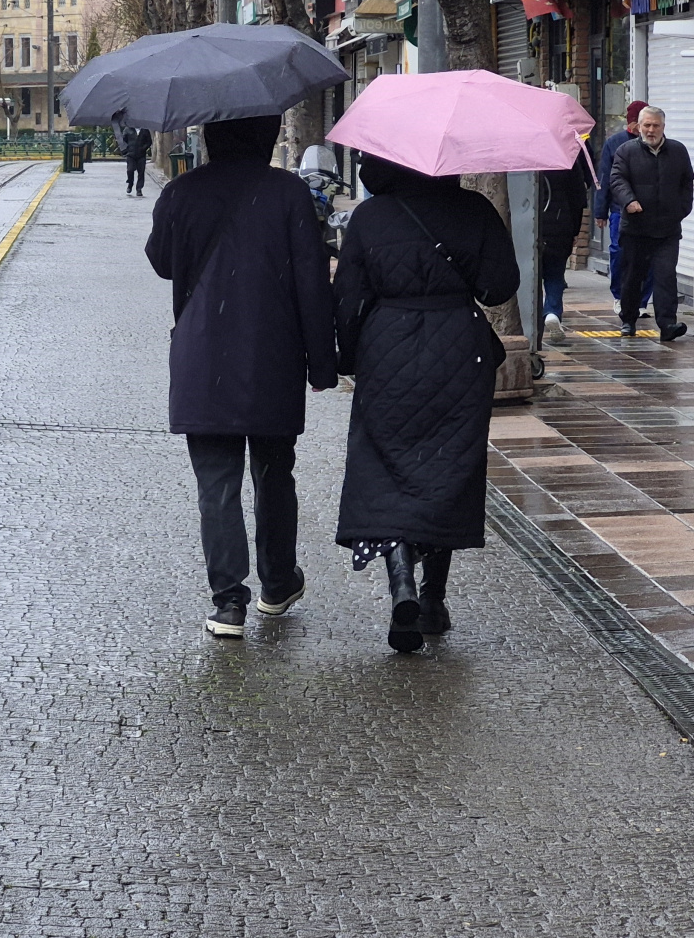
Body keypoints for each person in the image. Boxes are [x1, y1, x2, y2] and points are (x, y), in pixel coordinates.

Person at [145, 115, 338, 638]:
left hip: (202, 355)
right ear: (268, 132)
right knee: (275, 475)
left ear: (210, 135)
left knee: (217, 482)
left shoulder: (182, 192)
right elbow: (312, 285)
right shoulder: (290, 195)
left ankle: (228, 601)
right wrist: (324, 362)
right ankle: (277, 584)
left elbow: (161, 262)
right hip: (271, 355)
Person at [334, 154, 519, 653]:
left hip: (386, 349)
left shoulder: (371, 216)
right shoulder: (474, 210)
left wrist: (349, 357)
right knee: (447, 470)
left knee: (387, 467)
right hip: (459, 350)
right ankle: (434, 600)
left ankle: (402, 586)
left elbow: (347, 297)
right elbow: (501, 286)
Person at [610, 105, 694, 342]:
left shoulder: (677, 151)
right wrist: (629, 201)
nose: (651, 130)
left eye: (656, 125)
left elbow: (687, 182)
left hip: (667, 229)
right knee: (632, 276)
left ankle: (668, 324)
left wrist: (682, 209)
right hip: (636, 228)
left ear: (663, 127)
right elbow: (616, 180)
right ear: (639, 126)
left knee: (665, 276)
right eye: (646, 125)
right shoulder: (626, 151)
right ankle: (628, 319)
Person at [596, 100, 651, 315]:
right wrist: (601, 210)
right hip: (620, 210)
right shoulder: (615, 143)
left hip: (649, 211)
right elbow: (605, 177)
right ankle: (620, 296)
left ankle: (642, 301)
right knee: (619, 253)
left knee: (649, 257)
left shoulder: (655, 144)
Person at [540, 151, 589, 344]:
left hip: (528, 224)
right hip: (560, 225)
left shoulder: (521, 152)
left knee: (528, 275)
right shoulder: (564, 155)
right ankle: (551, 311)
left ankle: (531, 318)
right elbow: (578, 198)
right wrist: (574, 230)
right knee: (554, 274)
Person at [121, 126, 152, 197]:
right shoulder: (128, 129)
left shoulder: (145, 130)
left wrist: (143, 148)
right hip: (130, 154)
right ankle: (130, 183)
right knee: (130, 170)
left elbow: (149, 142)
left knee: (141, 172)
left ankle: (139, 189)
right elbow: (123, 140)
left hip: (141, 155)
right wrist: (127, 149)